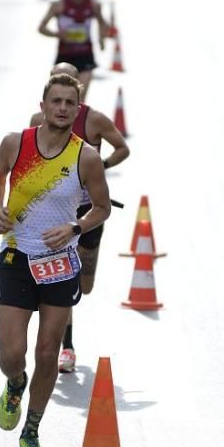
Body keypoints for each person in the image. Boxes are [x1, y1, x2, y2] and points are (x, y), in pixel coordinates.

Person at [0, 73, 110, 447]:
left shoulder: (85, 156)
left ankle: (31, 431)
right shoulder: (16, 143)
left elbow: (102, 208)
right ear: (42, 106)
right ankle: (14, 384)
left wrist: (76, 226)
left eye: (68, 103)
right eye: (55, 101)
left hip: (59, 266)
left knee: (46, 352)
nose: (61, 108)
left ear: (77, 110)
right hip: (16, 258)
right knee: (11, 353)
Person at [30, 63, 130, 372]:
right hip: (59, 214)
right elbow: (29, 159)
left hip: (90, 213)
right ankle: (67, 347)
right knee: (64, 277)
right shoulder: (37, 121)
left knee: (84, 286)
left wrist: (98, 168)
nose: (62, 103)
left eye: (70, 91)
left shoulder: (95, 119)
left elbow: (123, 148)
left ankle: (65, 334)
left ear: (78, 90)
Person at [38, 0, 109, 96]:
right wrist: (57, 34)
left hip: (86, 56)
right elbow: (41, 28)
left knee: (79, 100)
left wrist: (101, 39)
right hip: (65, 57)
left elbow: (103, 23)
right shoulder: (59, 5)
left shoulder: (93, 5)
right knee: (61, 98)